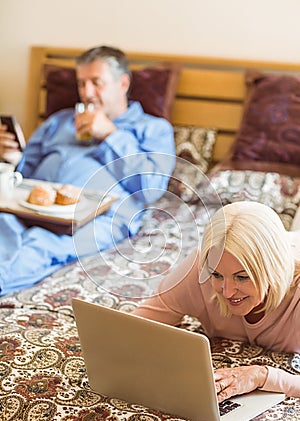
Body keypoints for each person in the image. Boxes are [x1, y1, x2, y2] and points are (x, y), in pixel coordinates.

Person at [0, 45, 175, 296]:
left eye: (96, 82)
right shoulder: (59, 121)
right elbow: (24, 174)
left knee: (41, 245)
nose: (87, 93)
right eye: (81, 84)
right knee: (3, 224)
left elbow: (151, 188)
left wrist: (110, 135)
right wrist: (11, 159)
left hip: (97, 220)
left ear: (123, 83)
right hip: (31, 210)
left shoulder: (153, 129)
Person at [133, 201, 300, 400]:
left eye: (242, 277)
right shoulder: (200, 268)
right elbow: (133, 328)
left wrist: (261, 376)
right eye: (217, 275)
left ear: (272, 270)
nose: (227, 292)